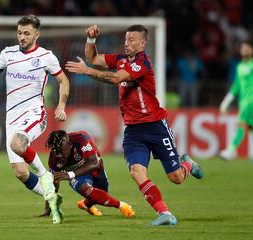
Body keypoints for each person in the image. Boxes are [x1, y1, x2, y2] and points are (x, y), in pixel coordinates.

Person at [65, 24, 203, 226]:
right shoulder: (121, 59)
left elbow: (115, 78)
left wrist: (87, 72)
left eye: (132, 40)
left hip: (155, 126)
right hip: (132, 130)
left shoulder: (143, 63)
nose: (127, 43)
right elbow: (93, 59)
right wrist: (91, 40)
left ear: (143, 43)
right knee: (136, 172)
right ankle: (165, 214)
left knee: (176, 178)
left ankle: (188, 164)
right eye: (126, 39)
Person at [0, 15, 70, 224]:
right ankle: (52, 197)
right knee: (20, 172)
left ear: (37, 34)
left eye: (26, 33)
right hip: (12, 117)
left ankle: (45, 175)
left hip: (35, 114)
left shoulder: (46, 57)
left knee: (17, 144)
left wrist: (61, 105)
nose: (22, 37)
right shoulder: (8, 53)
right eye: (19, 33)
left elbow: (63, 80)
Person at [40, 130, 134, 218]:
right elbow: (53, 185)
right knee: (85, 188)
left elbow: (94, 164)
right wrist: (47, 210)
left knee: (101, 193)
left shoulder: (81, 139)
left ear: (69, 144)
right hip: (77, 175)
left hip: (93, 165)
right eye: (57, 152)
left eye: (63, 151)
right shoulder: (53, 160)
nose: (60, 156)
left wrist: (69, 174)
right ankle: (122, 206)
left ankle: (85, 204)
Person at [219, 40, 253, 160]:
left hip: (250, 101)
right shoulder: (240, 66)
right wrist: (226, 101)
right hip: (244, 101)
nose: (244, 50)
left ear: (251, 50)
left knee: (241, 125)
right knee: (249, 127)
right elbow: (236, 86)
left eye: (247, 48)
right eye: (242, 48)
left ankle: (230, 151)